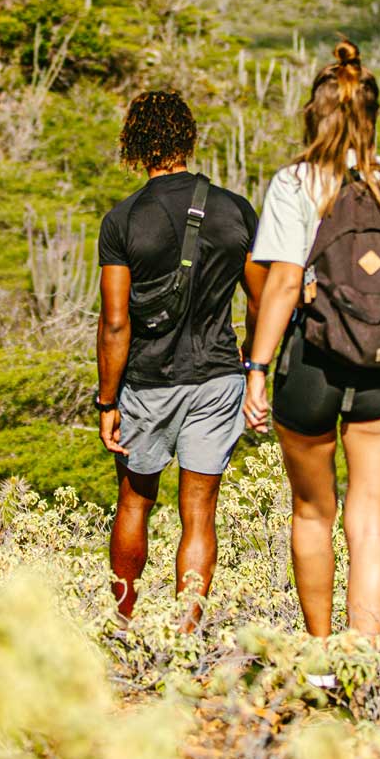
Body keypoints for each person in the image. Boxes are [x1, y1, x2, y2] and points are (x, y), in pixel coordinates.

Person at [242, 40, 380, 641]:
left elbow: (280, 283)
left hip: (311, 364)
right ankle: (366, 660)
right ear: (374, 117)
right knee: (372, 526)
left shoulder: (295, 183)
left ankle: (322, 656)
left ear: (315, 114)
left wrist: (257, 368)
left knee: (312, 513)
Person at [96, 90, 264, 626]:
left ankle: (124, 623)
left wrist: (106, 399)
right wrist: (250, 358)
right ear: (189, 139)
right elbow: (260, 298)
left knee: (135, 503)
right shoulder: (236, 210)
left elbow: (115, 322)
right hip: (218, 378)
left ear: (135, 146)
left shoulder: (123, 221)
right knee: (199, 513)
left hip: (146, 382)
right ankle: (186, 633)